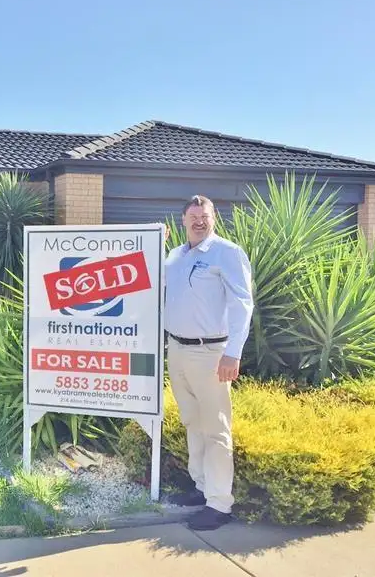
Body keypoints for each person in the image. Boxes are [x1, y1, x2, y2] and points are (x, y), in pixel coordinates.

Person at [163, 195, 254, 531]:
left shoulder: (226, 253)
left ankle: (219, 504)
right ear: (183, 220)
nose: (199, 221)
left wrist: (233, 352)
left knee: (216, 429)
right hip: (178, 349)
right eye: (193, 216)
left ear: (213, 218)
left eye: (205, 216)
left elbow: (243, 303)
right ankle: (201, 488)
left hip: (210, 353)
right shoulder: (174, 256)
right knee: (192, 422)